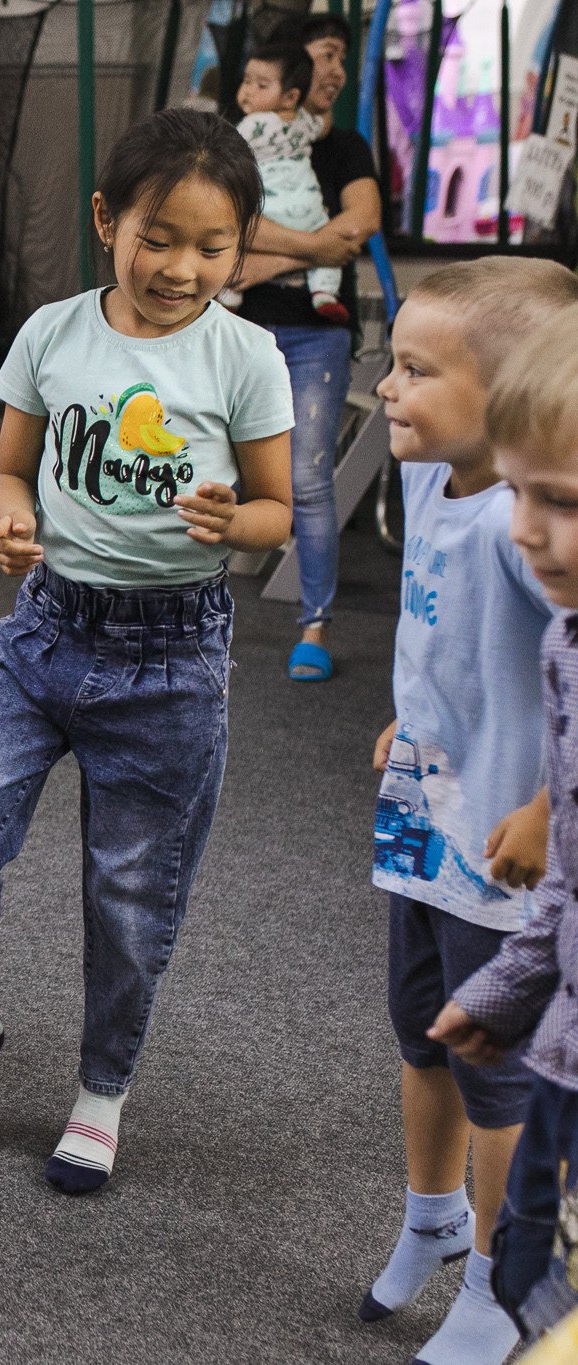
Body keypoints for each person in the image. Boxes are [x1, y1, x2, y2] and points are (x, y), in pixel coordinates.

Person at [0, 108, 294, 1194]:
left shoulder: (245, 355)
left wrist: (231, 522)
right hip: (44, 632)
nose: (180, 266)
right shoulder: (52, 333)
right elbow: (10, 470)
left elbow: (280, 511)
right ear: (107, 220)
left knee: (130, 894)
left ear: (241, 248)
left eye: (210, 245)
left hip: (170, 657)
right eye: (158, 236)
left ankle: (100, 1092)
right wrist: (8, 519)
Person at [359, 259, 578, 1365]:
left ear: (505, 397)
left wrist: (546, 803)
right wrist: (409, 717)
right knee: (420, 1032)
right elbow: (432, 633)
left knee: (493, 1070)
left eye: (412, 370)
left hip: (503, 845)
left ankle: (502, 1279)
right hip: (421, 812)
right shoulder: (423, 479)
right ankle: (430, 1216)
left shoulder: (523, 525)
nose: (385, 389)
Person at [430, 302, 578, 1352]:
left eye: (558, 501)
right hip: (560, 1064)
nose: (523, 529)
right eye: (519, 491)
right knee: (534, 1273)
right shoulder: (566, 639)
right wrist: (514, 988)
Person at [230, 13, 383, 682]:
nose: (337, 70)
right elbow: (231, 221)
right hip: (244, 327)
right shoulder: (247, 140)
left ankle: (314, 626)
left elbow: (363, 223)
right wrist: (315, 244)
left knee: (311, 478)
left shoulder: (345, 146)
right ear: (294, 74)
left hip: (320, 331)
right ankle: (199, 615)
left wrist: (267, 256)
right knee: (220, 467)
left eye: (342, 58)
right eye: (326, 55)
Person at [226, 45, 346, 322]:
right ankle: (325, 293)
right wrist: (324, 103)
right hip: (308, 209)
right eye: (246, 81)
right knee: (324, 232)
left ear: (290, 96)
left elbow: (226, 152)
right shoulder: (303, 121)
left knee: (234, 236)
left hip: (270, 210)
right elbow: (323, 125)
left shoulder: (250, 125)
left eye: (261, 85)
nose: (248, 91)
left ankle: (230, 293)